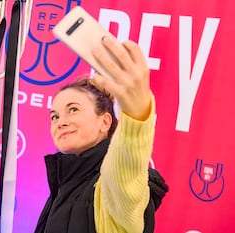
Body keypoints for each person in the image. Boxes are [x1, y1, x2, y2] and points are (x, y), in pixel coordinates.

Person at [34, 36, 169, 233]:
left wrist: (137, 113)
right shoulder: (67, 183)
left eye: (73, 110)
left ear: (105, 121)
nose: (60, 122)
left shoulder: (109, 184)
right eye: (54, 116)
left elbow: (128, 163)